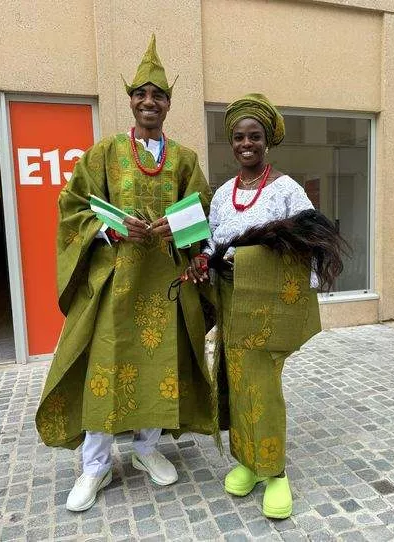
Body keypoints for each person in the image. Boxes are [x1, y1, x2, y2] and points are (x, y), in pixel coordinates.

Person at [35, 34, 214, 512]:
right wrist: (111, 232)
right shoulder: (104, 153)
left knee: (159, 369)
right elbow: (72, 208)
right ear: (131, 101)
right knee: (105, 369)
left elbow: (201, 208)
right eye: (141, 94)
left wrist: (176, 224)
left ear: (169, 103)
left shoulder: (185, 159)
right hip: (113, 287)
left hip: (164, 287)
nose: (149, 102)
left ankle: (146, 449)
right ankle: (94, 466)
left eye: (158, 95)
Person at [187, 93, 345, 519]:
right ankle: (248, 462)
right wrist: (204, 258)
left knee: (265, 387)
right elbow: (212, 241)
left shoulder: (287, 189)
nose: (246, 144)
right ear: (232, 142)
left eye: (254, 136)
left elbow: (314, 243)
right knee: (236, 381)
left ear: (266, 141)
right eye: (238, 137)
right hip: (232, 301)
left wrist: (302, 286)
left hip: (270, 305)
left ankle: (275, 472)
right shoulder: (222, 194)